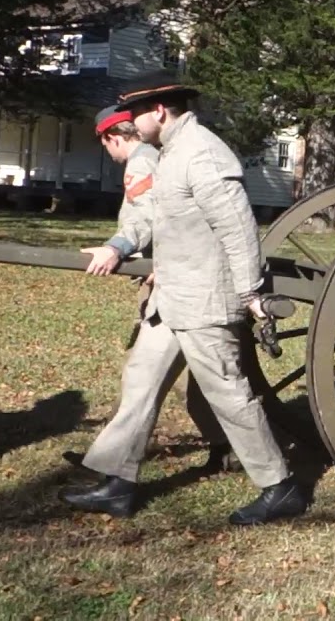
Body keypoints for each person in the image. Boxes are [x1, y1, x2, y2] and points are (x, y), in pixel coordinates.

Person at [61, 70, 305, 524]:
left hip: (206, 301)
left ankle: (280, 486)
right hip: (172, 298)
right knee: (141, 381)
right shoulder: (168, 154)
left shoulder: (203, 154)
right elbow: (150, 216)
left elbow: (238, 228)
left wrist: (250, 291)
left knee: (229, 393)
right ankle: (118, 482)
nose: (130, 122)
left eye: (135, 113)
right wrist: (118, 246)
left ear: (158, 111)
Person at [63, 106, 249, 475]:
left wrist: (116, 247)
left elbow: (145, 218)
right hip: (177, 279)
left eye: (107, 147)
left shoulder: (142, 162)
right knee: (176, 380)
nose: (110, 155)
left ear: (112, 137)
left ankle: (243, 456)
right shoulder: (158, 156)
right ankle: (112, 464)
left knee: (166, 379)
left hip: (177, 288)